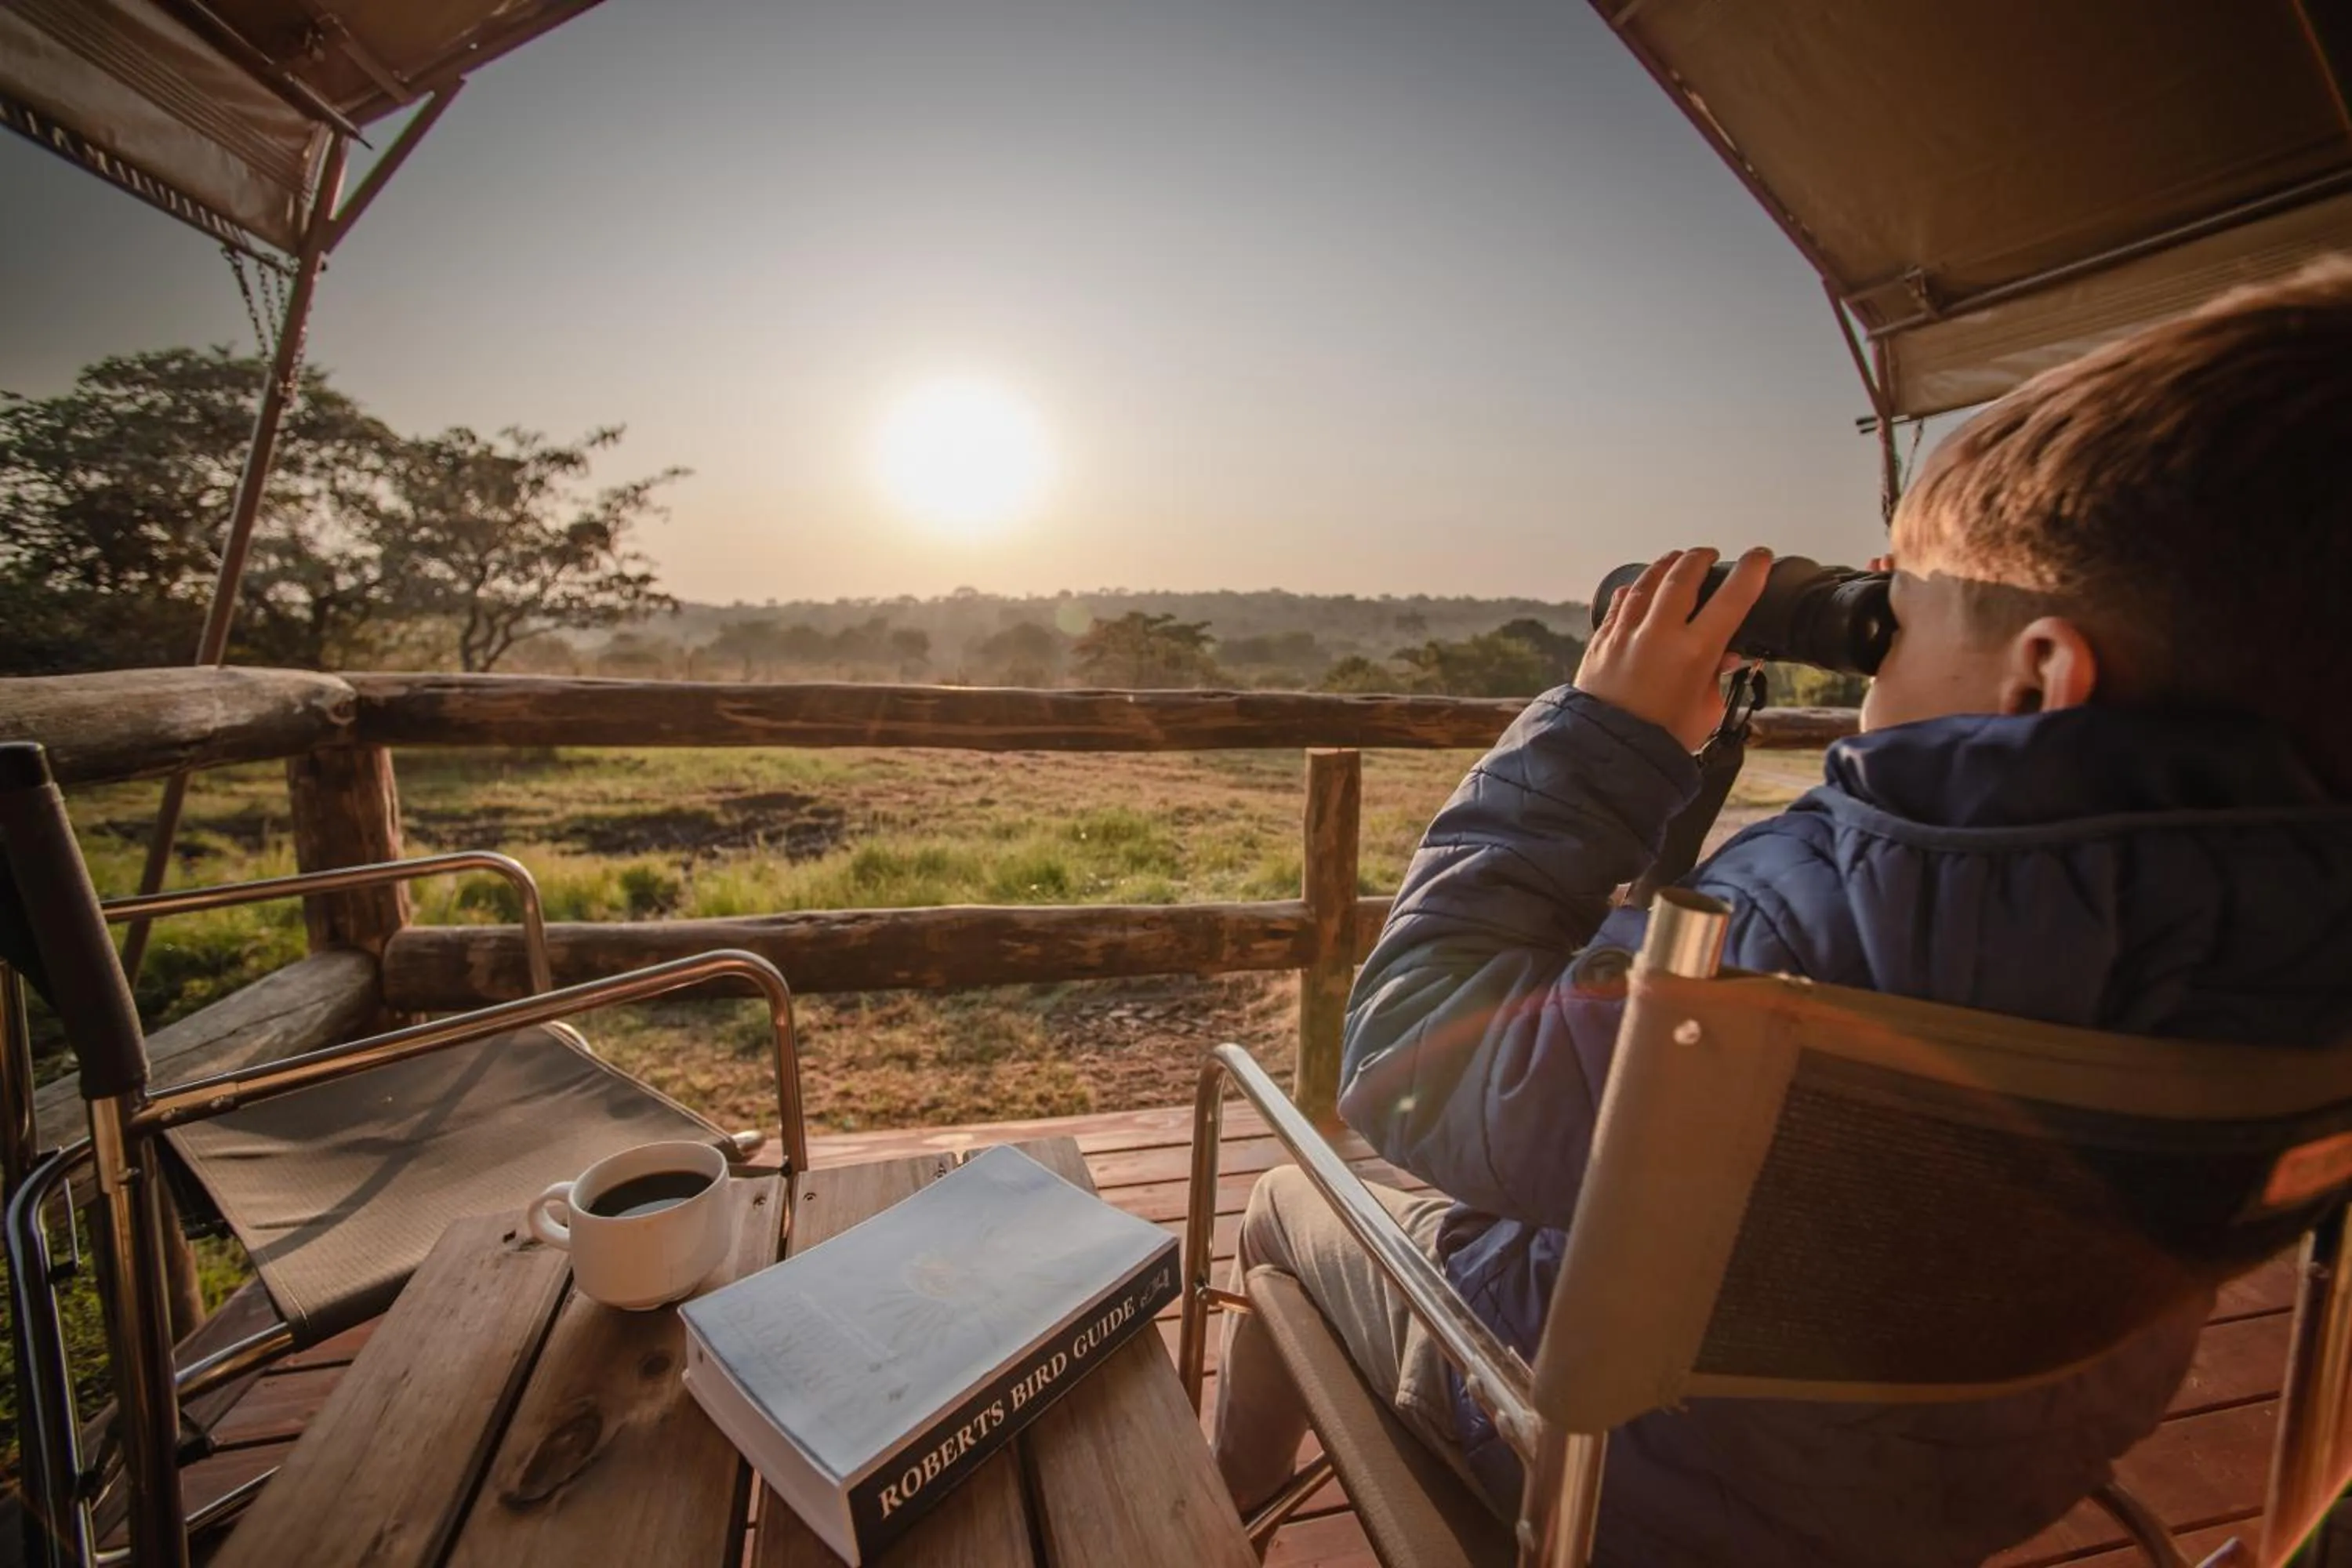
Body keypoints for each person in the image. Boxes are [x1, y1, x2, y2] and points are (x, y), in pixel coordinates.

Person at [1210, 255, 2352, 1566]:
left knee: (1288, 1204)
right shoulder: (2300, 965)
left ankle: (1211, 1516)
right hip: (1991, 1482)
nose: (1874, 653)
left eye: (1894, 620)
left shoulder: (1806, 938)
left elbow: (1407, 1065)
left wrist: (1599, 740)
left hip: (1617, 1477)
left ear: (2039, 681)